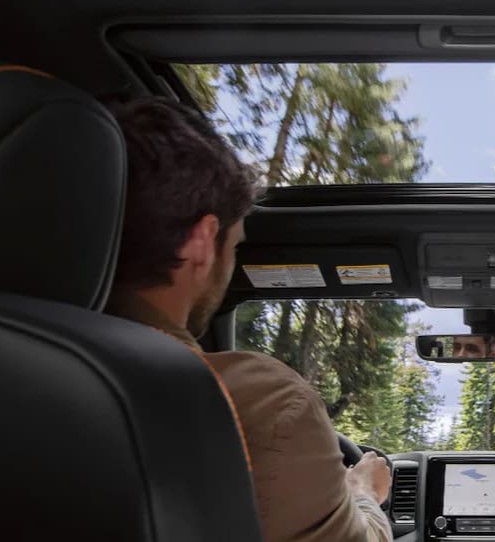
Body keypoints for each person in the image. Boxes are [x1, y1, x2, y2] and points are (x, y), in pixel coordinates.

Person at [102, 97, 392, 542]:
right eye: (235, 246)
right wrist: (363, 493)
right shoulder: (263, 403)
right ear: (202, 242)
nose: (232, 263)